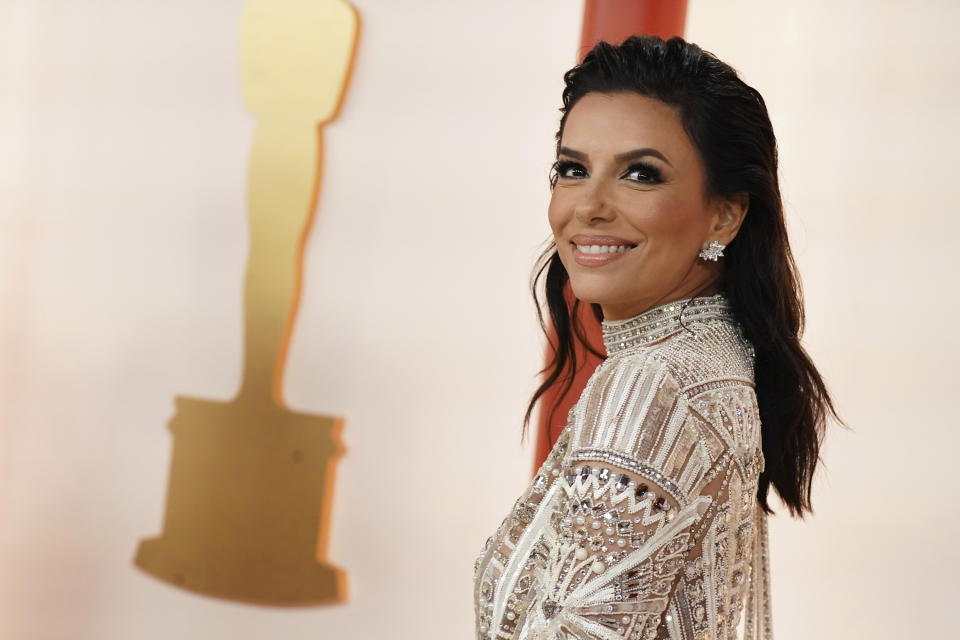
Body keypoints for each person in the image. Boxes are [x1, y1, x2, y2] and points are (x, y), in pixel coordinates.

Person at [473, 35, 839, 640]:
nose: (588, 205)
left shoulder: (650, 383)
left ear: (725, 213)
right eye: (572, 169)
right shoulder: (720, 357)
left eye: (640, 174)